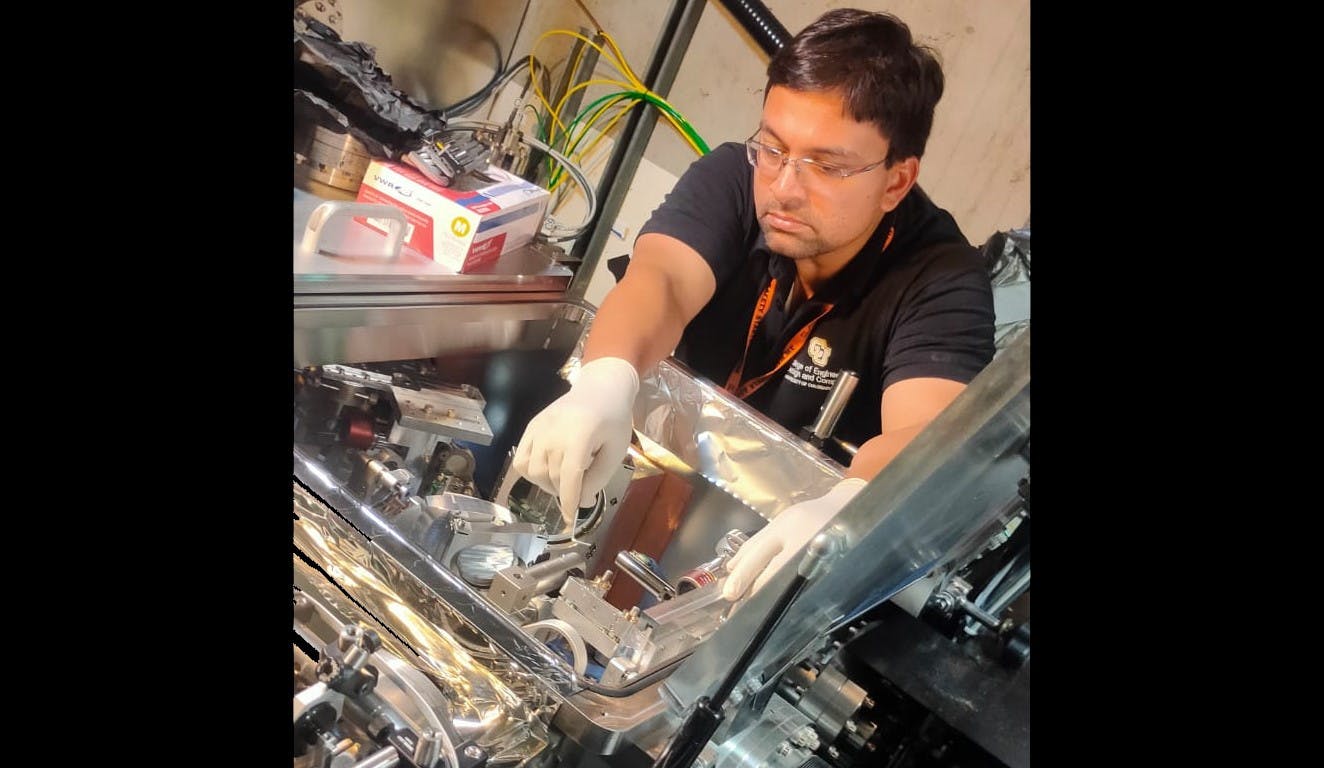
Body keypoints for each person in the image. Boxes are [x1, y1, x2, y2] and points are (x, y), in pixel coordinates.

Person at [513, 8, 995, 603]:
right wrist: (605, 380)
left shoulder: (943, 277)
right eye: (773, 148)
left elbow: (931, 432)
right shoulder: (733, 178)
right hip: (656, 488)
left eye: (827, 166)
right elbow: (661, 281)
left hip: (780, 555)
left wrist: (853, 505)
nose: (784, 188)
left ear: (896, 181)